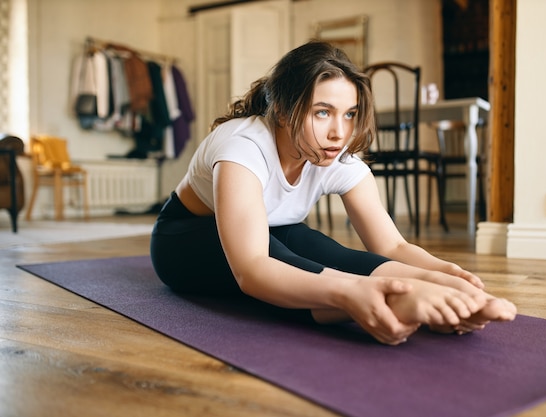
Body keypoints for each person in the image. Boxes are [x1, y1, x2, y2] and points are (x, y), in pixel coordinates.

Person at [150, 40, 516, 345]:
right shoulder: (243, 147)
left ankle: (437, 293)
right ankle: (392, 299)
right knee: (278, 260)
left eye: (350, 113)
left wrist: (443, 272)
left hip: (273, 231)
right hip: (186, 237)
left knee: (323, 247)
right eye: (322, 112)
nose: (339, 133)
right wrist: (349, 294)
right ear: (283, 110)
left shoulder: (339, 158)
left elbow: (391, 246)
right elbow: (252, 270)